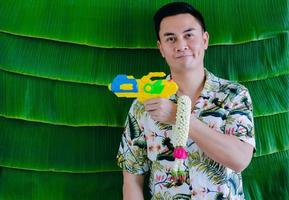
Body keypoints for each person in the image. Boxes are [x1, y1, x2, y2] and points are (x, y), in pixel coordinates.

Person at [116, 2, 255, 199]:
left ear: (205, 40)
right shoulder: (144, 102)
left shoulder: (234, 94)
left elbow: (240, 159)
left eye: (189, 35)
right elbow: (131, 179)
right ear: (161, 48)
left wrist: (179, 116)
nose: (181, 45)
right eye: (170, 38)